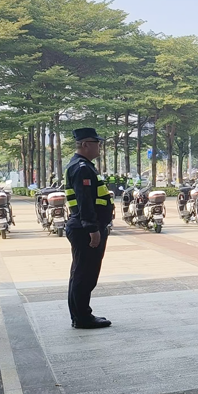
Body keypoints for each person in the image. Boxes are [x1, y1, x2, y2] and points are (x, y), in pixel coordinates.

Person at [64, 128, 113, 329]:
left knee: (80, 273)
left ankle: (80, 315)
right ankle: (83, 317)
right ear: (85, 144)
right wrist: (93, 229)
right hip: (85, 229)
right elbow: (85, 202)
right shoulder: (82, 168)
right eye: (96, 142)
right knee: (85, 274)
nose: (99, 146)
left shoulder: (82, 166)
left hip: (83, 227)